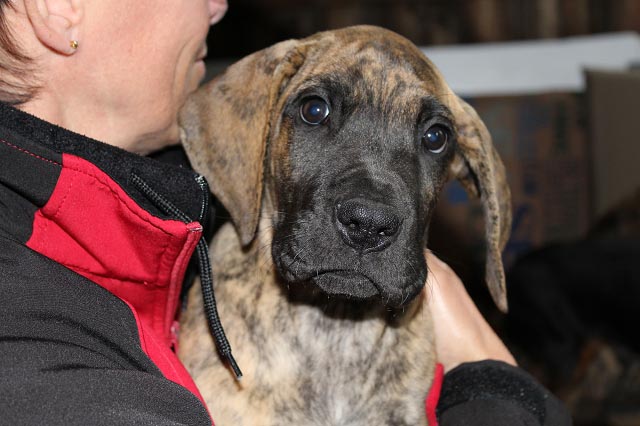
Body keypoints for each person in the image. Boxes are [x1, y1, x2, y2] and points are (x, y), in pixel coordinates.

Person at [0, 1, 571, 425]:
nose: (218, 4)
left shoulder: (161, 222)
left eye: (434, 137)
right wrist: (490, 376)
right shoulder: (35, 340)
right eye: (315, 111)